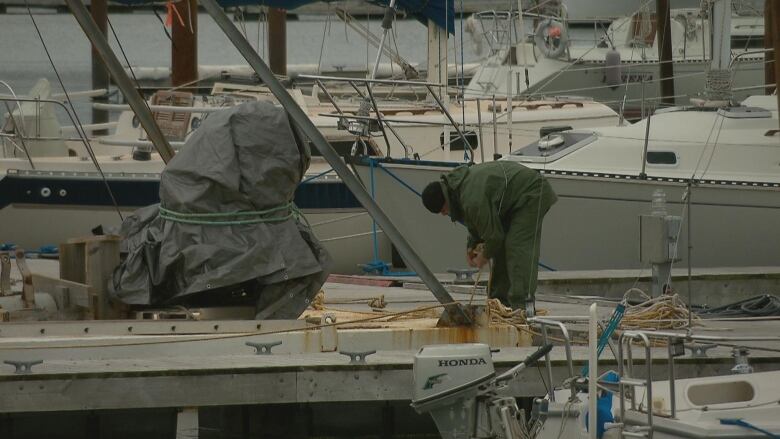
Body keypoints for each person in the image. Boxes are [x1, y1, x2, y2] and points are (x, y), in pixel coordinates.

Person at [421, 161, 557, 316]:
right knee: (501, 250)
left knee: (516, 247)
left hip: (530, 193)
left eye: (443, 210)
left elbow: (494, 237)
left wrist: (484, 257)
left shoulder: (471, 198)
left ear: (445, 201)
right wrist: (471, 247)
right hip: (511, 203)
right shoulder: (459, 190)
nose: (444, 214)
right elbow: (477, 224)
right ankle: (499, 304)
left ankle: (522, 308)